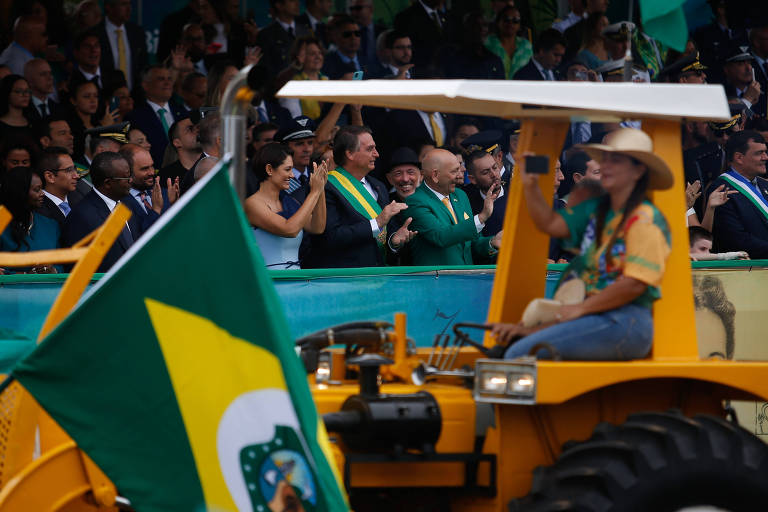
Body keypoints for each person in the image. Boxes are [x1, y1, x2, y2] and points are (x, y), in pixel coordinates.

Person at [493, 127, 673, 361]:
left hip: (624, 321)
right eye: (604, 159)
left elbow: (635, 284)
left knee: (518, 354)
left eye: (616, 161)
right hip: (598, 318)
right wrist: (531, 186)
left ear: (638, 171)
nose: (606, 166)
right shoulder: (599, 210)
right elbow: (549, 223)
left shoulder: (644, 219)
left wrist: (580, 308)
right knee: (508, 347)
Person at [300, 125, 416, 268]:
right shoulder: (326, 185)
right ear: (350, 154)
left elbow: (385, 233)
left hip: (378, 274)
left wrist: (394, 241)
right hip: (344, 276)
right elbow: (330, 237)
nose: (377, 154)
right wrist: (376, 223)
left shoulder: (378, 186)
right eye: (370, 149)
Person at [405, 148, 501, 265]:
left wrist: (492, 243)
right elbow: (441, 237)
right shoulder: (415, 202)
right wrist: (482, 217)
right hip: (438, 276)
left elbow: (472, 242)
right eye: (454, 171)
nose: (460, 175)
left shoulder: (460, 195)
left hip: (467, 275)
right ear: (435, 175)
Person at [245, 143, 327, 269]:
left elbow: (317, 227)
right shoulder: (252, 204)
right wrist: (314, 192)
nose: (292, 175)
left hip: (295, 277)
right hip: (269, 278)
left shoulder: (290, 202)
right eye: (287, 169)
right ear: (269, 169)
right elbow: (290, 230)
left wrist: (320, 188)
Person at [62, 151, 136, 272]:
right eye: (126, 178)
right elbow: (78, 267)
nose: (131, 180)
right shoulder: (81, 217)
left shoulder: (127, 204)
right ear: (108, 183)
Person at [710, 130, 768, 257]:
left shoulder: (765, 185)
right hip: (748, 266)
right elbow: (736, 239)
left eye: (765, 152)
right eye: (759, 153)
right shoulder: (721, 189)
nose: (765, 157)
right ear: (739, 158)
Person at [0, 166, 60, 274]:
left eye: (42, 188)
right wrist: (25, 275)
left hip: (50, 284)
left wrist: (53, 270)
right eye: (37, 190)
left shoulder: (51, 225)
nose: (42, 194)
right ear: (20, 192)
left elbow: (62, 265)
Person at [126, 65, 185, 166]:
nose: (167, 83)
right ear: (145, 85)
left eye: (169, 79)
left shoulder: (182, 112)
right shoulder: (134, 117)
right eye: (161, 79)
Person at [119, 144, 178, 238]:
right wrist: (156, 210)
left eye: (152, 166)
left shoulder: (164, 193)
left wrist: (175, 205)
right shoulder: (119, 203)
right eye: (144, 169)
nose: (152, 172)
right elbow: (141, 239)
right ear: (127, 171)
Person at [96, 0, 148, 90]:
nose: (129, 9)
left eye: (129, 4)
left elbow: (143, 65)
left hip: (134, 94)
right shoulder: (96, 34)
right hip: (105, 93)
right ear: (109, 7)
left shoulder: (137, 32)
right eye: (123, 4)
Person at [277, 36, 328, 120]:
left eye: (320, 53)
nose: (318, 57)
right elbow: (294, 120)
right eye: (312, 54)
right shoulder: (294, 85)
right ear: (301, 57)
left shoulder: (326, 79)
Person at [463, 149, 506, 237]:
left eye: (495, 167)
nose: (494, 174)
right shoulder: (466, 201)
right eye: (486, 172)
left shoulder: (517, 194)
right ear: (472, 179)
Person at [485, 6, 532, 80]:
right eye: (506, 19)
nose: (511, 23)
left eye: (515, 20)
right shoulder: (488, 43)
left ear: (519, 25)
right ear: (498, 22)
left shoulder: (526, 46)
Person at [37, 147, 78, 229]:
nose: (76, 176)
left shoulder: (78, 198)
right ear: (50, 177)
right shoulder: (39, 211)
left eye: (74, 169)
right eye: (69, 170)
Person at [159, 117, 201, 185]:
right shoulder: (166, 178)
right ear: (177, 142)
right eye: (190, 129)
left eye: (198, 127)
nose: (198, 131)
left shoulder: (216, 163)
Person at [0, 75, 35, 144]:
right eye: (19, 91)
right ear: (7, 93)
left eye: (27, 91)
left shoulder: (33, 122)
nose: (25, 95)